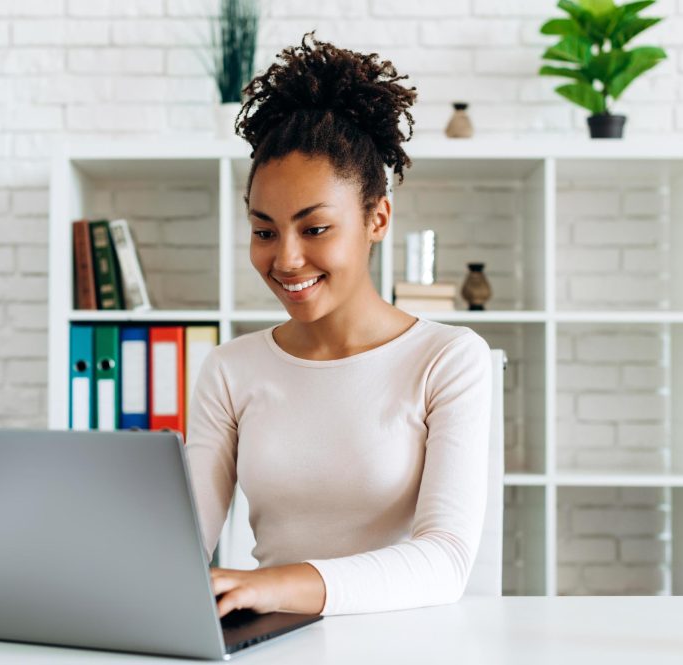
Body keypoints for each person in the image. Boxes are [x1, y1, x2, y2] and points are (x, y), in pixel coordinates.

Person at [185, 30, 492, 618]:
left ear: (377, 218)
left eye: (315, 228)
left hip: (407, 651)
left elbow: (445, 559)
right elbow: (181, 542)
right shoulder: (230, 369)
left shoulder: (448, 359)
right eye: (264, 230)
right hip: (267, 643)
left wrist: (270, 584)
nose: (286, 259)